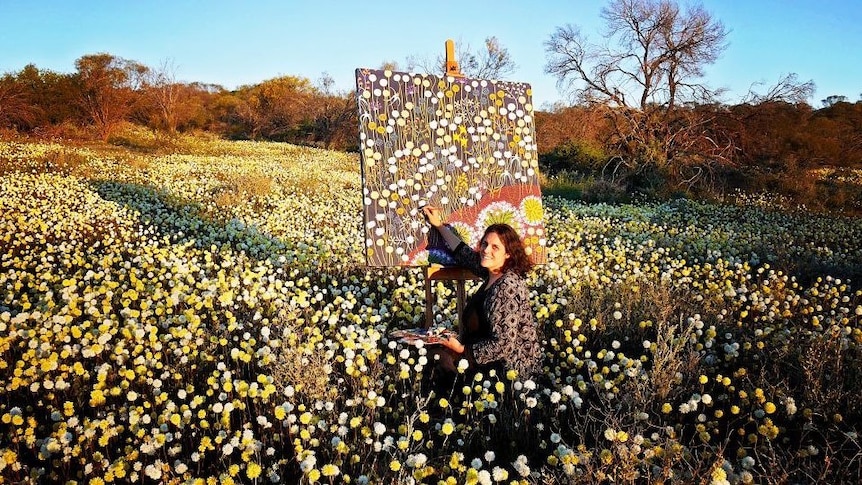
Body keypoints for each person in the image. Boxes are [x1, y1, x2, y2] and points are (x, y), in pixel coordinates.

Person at [421, 205, 542, 381]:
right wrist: (439, 225)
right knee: (437, 354)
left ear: (508, 254)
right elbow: (464, 253)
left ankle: (449, 406)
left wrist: (462, 350)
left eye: (495, 247)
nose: (486, 250)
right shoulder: (491, 273)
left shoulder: (507, 286)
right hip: (485, 360)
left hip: (506, 371)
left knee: (439, 359)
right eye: (484, 244)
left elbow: (504, 345)